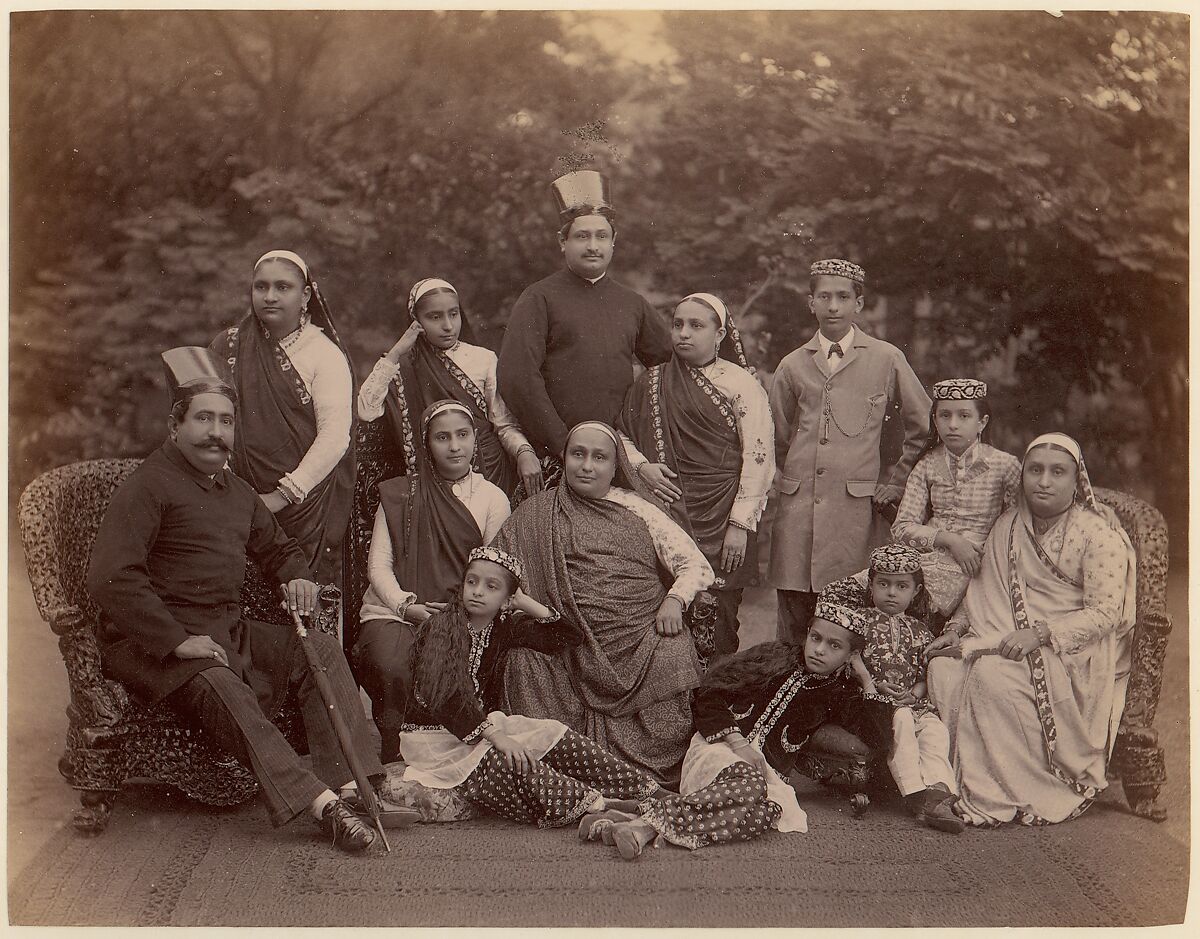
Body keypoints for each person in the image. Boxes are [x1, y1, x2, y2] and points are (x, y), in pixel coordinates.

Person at [86, 347, 394, 853]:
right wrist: (177, 641)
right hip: (155, 646)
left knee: (317, 647)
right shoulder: (148, 485)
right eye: (203, 418)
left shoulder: (237, 491)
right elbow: (110, 577)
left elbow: (281, 551)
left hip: (226, 632)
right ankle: (323, 807)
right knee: (221, 684)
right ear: (175, 426)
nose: (216, 432)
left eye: (226, 421)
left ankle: (356, 785)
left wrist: (299, 577)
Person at [924, 433, 1136, 826]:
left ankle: (1005, 794)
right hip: (1004, 635)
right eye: (1035, 470)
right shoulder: (1008, 525)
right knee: (943, 668)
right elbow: (984, 588)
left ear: (1076, 481)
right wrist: (956, 629)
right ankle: (959, 785)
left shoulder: (1096, 535)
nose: (1044, 481)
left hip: (1070, 650)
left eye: (1058, 472)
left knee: (990, 675)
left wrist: (1040, 634)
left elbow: (1105, 613)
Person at [493, 421, 714, 783]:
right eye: (578, 454)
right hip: (565, 638)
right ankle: (560, 768)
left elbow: (695, 565)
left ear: (616, 467)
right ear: (564, 459)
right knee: (525, 661)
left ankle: (638, 771)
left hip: (638, 632)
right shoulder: (535, 514)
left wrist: (674, 599)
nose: (587, 466)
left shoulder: (639, 508)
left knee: (673, 655)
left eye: (600, 458)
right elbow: (497, 568)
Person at [589, 601, 895, 860]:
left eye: (835, 646)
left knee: (765, 813)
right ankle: (643, 829)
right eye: (815, 638)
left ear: (851, 655)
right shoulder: (774, 656)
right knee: (750, 792)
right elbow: (708, 694)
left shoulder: (841, 692)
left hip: (766, 775)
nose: (819, 650)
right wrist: (738, 743)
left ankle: (634, 816)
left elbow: (877, 740)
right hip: (718, 749)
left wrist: (866, 680)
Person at [395, 546, 663, 829]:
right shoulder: (441, 627)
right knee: (509, 758)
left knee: (551, 732)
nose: (477, 591)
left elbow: (568, 637)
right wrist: (497, 737)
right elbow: (444, 697)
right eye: (471, 582)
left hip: (479, 729)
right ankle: (600, 806)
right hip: (432, 739)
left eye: (491, 586)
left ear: (506, 599)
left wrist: (525, 602)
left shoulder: (500, 626)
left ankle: (644, 790)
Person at [769, 258, 930, 644]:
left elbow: (925, 426)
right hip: (799, 514)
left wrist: (897, 481)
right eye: (823, 296)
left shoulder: (885, 358)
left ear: (859, 304)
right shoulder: (792, 365)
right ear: (810, 303)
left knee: (851, 618)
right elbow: (774, 436)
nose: (833, 307)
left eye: (843, 297)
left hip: (855, 511)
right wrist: (782, 479)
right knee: (794, 625)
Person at [351, 399, 510, 762]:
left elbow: (492, 572)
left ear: (475, 439)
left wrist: (458, 614)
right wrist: (407, 607)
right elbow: (378, 566)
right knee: (393, 665)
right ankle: (393, 755)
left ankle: (449, 760)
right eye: (442, 437)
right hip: (394, 611)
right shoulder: (400, 494)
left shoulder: (491, 498)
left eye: (462, 435)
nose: (454, 446)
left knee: (450, 670)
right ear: (426, 444)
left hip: (460, 613)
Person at [617, 292, 774, 659]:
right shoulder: (650, 383)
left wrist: (740, 525)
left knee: (719, 621)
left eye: (696, 326)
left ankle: (713, 705)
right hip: (666, 509)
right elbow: (620, 435)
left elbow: (759, 456)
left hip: (722, 516)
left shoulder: (741, 384)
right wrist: (643, 467)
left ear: (720, 335)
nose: (683, 333)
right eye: (677, 325)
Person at [497, 170, 672, 483]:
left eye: (601, 236)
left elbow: (668, 364)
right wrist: (563, 445)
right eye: (582, 236)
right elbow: (517, 378)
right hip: (556, 457)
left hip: (620, 453)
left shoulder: (631, 302)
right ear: (563, 241)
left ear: (614, 242)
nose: (593, 246)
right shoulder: (539, 298)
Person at [210, 249, 356, 587]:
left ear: (305, 294)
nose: (270, 296)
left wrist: (281, 496)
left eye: (283, 287)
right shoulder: (228, 345)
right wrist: (230, 489)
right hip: (231, 497)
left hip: (301, 508)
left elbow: (335, 437)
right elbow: (208, 420)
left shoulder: (325, 355)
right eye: (261, 287)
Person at [356, 277, 543, 499]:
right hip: (435, 479)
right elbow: (366, 410)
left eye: (453, 314)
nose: (448, 325)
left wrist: (524, 451)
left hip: (491, 474)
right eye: (435, 317)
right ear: (416, 320)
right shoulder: (403, 366)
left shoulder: (483, 359)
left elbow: (503, 424)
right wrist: (396, 352)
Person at [835, 544, 962, 834]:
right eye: (884, 584)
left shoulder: (921, 630)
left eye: (901, 586)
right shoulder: (859, 623)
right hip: (873, 702)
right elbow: (849, 659)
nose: (891, 593)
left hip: (912, 701)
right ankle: (916, 794)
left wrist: (915, 694)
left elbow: (923, 673)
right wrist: (873, 683)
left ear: (916, 591)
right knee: (901, 722)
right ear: (871, 585)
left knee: (934, 730)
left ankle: (939, 792)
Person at [892, 378, 1021, 618]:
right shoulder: (927, 464)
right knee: (847, 591)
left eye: (963, 416)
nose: (952, 425)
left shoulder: (1004, 465)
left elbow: (1019, 528)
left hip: (973, 566)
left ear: (982, 422)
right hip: (924, 559)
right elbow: (902, 527)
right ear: (935, 420)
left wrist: (981, 550)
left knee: (910, 606)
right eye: (944, 416)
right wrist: (949, 540)